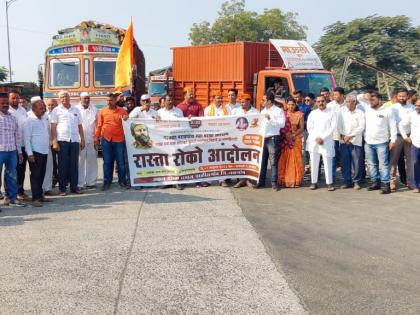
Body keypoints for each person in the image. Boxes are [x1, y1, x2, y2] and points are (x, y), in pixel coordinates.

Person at [50, 90, 85, 196]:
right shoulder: (56, 110)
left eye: (66, 96)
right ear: (60, 99)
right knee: (62, 165)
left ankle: (74, 187)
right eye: (62, 97)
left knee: (74, 164)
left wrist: (82, 139)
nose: (64, 98)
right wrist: (54, 141)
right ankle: (62, 189)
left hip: (74, 140)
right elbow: (53, 127)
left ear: (69, 97)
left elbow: (80, 126)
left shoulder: (76, 110)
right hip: (62, 140)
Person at [364, 92, 397, 194]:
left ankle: (386, 185)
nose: (371, 101)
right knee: (371, 164)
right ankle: (375, 182)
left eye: (373, 99)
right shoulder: (368, 109)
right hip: (368, 141)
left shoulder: (387, 111)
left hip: (382, 142)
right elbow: (358, 97)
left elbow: (393, 126)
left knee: (383, 165)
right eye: (370, 100)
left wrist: (393, 140)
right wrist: (366, 96)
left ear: (380, 100)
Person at [94, 93, 128, 191]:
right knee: (107, 162)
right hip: (106, 140)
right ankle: (107, 182)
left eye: (111, 100)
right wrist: (96, 138)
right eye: (107, 100)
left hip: (119, 140)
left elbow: (128, 123)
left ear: (115, 100)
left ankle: (122, 181)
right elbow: (99, 126)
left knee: (121, 162)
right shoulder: (102, 111)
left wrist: (126, 119)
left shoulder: (122, 111)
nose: (109, 102)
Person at [23, 97, 51, 207]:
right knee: (35, 175)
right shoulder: (29, 121)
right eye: (40, 108)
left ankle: (40, 196)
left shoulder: (44, 118)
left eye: (43, 107)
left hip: (44, 151)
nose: (43, 109)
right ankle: (35, 198)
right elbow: (27, 139)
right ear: (34, 108)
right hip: (35, 152)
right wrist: (29, 153)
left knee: (41, 174)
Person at [0, 95, 26, 207]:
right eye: (2, 103)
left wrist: (19, 152)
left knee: (12, 175)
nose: (5, 105)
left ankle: (12, 198)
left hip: (12, 152)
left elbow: (17, 136)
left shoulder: (12, 118)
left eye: (6, 103)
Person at [306, 95, 336, 191]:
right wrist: (316, 137)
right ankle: (313, 182)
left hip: (326, 141)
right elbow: (309, 127)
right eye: (318, 101)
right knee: (314, 162)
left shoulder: (332, 113)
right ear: (316, 102)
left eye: (322, 101)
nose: (320, 103)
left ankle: (329, 183)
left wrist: (322, 137)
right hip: (314, 141)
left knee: (328, 162)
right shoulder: (313, 113)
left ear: (325, 101)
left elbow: (332, 127)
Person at [258, 92, 285, 190]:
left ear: (269, 101)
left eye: (263, 100)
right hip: (263, 139)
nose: (262, 101)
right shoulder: (262, 111)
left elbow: (282, 124)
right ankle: (261, 182)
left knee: (273, 162)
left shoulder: (278, 111)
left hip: (273, 138)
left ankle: (274, 183)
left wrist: (270, 119)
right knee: (262, 162)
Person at [337, 94, 365, 190]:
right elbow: (339, 125)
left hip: (355, 141)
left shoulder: (360, 113)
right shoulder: (342, 112)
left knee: (356, 162)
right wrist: (344, 136)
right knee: (345, 162)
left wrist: (350, 136)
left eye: (350, 102)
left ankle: (356, 181)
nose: (348, 104)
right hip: (344, 140)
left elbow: (361, 127)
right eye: (347, 102)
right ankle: (347, 181)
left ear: (355, 102)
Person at [389, 88, 415, 191]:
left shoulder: (413, 108)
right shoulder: (392, 108)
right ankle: (391, 181)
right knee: (393, 160)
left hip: (410, 137)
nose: (401, 98)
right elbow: (391, 124)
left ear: (407, 96)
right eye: (399, 96)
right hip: (397, 137)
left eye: (403, 96)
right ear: (397, 96)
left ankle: (410, 182)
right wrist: (391, 139)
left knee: (410, 160)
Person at [6, 91, 30, 202]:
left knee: (21, 170)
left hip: (23, 145)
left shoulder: (23, 110)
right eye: (13, 98)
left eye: (17, 98)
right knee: (10, 171)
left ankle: (20, 192)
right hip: (11, 146)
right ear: (9, 99)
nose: (15, 100)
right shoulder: (6, 110)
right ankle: (8, 194)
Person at [232, 93, 259, 188]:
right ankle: (241, 180)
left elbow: (258, 126)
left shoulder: (256, 112)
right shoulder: (235, 111)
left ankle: (247, 180)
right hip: (238, 139)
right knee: (240, 160)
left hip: (250, 140)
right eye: (241, 102)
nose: (241, 104)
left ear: (249, 101)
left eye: (243, 102)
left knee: (249, 160)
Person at [205, 93, 231, 187]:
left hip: (223, 137)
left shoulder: (227, 109)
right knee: (210, 158)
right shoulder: (208, 109)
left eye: (221, 98)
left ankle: (222, 180)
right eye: (218, 98)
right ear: (213, 98)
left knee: (222, 158)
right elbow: (205, 124)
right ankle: (209, 180)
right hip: (211, 138)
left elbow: (230, 122)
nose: (220, 100)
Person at [278, 98, 304, 188]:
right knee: (284, 159)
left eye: (292, 104)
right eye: (289, 104)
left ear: (295, 105)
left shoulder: (299, 114)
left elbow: (301, 128)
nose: (291, 106)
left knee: (295, 160)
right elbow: (280, 126)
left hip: (296, 139)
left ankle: (295, 180)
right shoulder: (283, 114)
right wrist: (287, 135)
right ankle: (283, 179)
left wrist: (293, 135)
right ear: (286, 104)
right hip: (285, 138)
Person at [76, 92, 98, 190]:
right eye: (84, 98)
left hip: (92, 139)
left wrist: (97, 138)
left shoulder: (94, 109)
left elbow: (97, 124)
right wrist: (79, 139)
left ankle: (91, 182)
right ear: (80, 99)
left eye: (88, 98)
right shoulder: (75, 109)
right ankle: (79, 183)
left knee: (92, 161)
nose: (86, 100)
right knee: (80, 162)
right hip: (80, 139)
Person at [400, 99, 420, 193]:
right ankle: (416, 186)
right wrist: (405, 137)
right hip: (416, 144)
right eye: (417, 105)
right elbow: (401, 125)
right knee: (415, 164)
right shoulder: (412, 114)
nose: (418, 107)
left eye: (419, 106)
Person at [327, 87, 346, 179]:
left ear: (342, 95)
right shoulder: (330, 105)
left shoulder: (348, 104)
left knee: (344, 156)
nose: (334, 96)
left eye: (336, 94)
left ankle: (346, 176)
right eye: (333, 95)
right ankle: (331, 175)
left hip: (345, 135)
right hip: (333, 135)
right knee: (333, 155)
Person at [43, 98, 58, 194]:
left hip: (58, 142)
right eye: (49, 105)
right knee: (50, 165)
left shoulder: (59, 113)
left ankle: (62, 179)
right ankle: (51, 182)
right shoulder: (44, 115)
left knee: (59, 163)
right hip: (47, 144)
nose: (51, 107)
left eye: (53, 105)